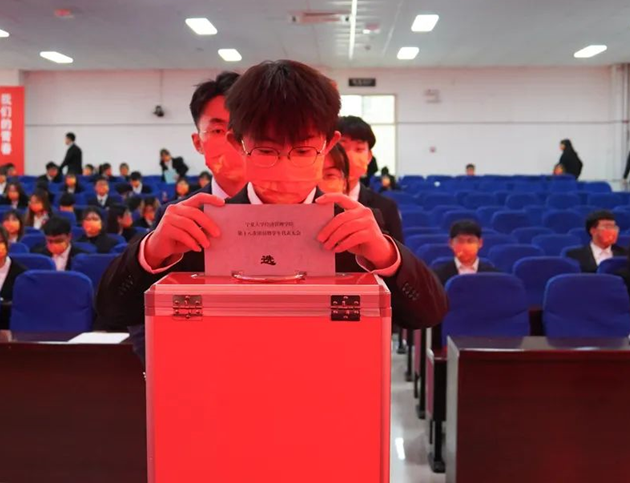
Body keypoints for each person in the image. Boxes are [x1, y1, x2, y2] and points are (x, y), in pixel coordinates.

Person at [95, 59, 447, 333]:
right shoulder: (198, 224)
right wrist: (151, 252)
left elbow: (427, 315)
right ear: (238, 144)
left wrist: (386, 256)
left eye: (303, 152)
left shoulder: (356, 227)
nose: (284, 171)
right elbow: (112, 312)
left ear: (329, 145)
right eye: (266, 152)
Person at [337, 116, 405, 242]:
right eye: (342, 147)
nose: (349, 156)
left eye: (359, 149)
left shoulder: (385, 207)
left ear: (369, 157)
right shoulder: (307, 200)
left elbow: (397, 252)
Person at [188, 71, 246, 200]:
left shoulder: (289, 209)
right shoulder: (175, 211)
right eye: (218, 131)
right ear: (198, 143)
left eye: (242, 128)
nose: (232, 140)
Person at [432, 220, 498, 285]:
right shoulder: (437, 276)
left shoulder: (494, 275)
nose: (465, 246)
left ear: (480, 243)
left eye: (470, 241)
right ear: (451, 243)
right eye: (460, 241)